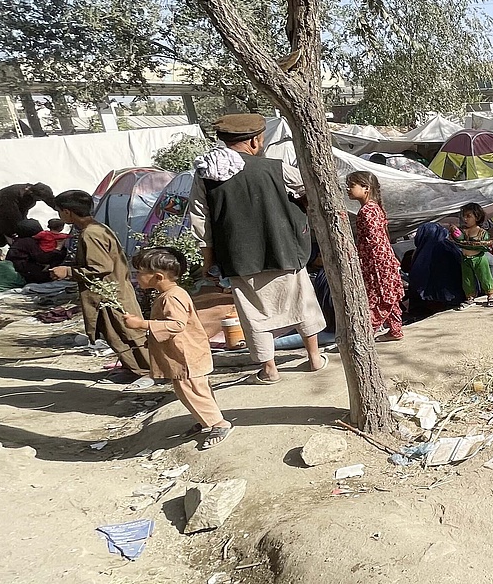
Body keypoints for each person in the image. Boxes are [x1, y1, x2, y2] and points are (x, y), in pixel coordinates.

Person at [189, 113, 328, 384]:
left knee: (254, 314)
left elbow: (200, 220)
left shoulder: (206, 176)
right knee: (302, 303)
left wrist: (208, 261)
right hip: (284, 249)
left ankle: (270, 369)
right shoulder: (275, 168)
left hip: (239, 257)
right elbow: (309, 190)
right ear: (254, 141)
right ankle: (313, 359)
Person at [122, 247, 232, 449]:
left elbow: (176, 325)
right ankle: (205, 420)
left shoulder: (171, 297)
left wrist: (142, 324)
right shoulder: (171, 293)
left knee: (193, 390)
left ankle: (219, 424)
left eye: (140, 273)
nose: (136, 277)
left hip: (186, 355)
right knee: (193, 389)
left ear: (157, 276)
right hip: (185, 353)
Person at [48, 190, 153, 386]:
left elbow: (100, 268)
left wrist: (68, 272)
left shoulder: (91, 233)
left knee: (127, 333)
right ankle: (133, 368)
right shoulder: (96, 229)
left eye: (60, 211)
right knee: (116, 334)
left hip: (111, 294)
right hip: (111, 292)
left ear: (67, 212)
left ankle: (148, 371)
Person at [346, 171, 405, 342]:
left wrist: (373, 265)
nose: (348, 189)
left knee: (380, 297)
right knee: (389, 294)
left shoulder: (367, 211)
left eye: (352, 185)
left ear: (365, 188)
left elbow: (375, 241)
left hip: (376, 263)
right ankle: (395, 330)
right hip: (383, 260)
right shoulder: (373, 208)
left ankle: (365, 334)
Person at [407, 222, 465, 317]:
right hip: (455, 297)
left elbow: (417, 279)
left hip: (430, 302)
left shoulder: (421, 253)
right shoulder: (449, 246)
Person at [451, 202, 493, 307]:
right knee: (467, 279)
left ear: (477, 217)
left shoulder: (482, 233)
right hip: (465, 259)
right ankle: (470, 297)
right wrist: (455, 233)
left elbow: (484, 245)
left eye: (469, 216)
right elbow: (459, 240)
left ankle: (490, 295)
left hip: (479, 258)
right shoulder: (464, 232)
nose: (465, 219)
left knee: (485, 276)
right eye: (464, 216)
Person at [0, 182, 55, 247]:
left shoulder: (35, 189)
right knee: (1, 240)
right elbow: (14, 220)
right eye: (38, 199)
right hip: (2, 210)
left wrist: (59, 207)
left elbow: (49, 199)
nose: (39, 200)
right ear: (31, 193)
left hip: (18, 209)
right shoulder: (9, 198)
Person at [7, 218, 64, 284]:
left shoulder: (20, 241)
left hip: (18, 270)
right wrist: (58, 248)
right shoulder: (28, 242)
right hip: (24, 272)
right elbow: (43, 258)